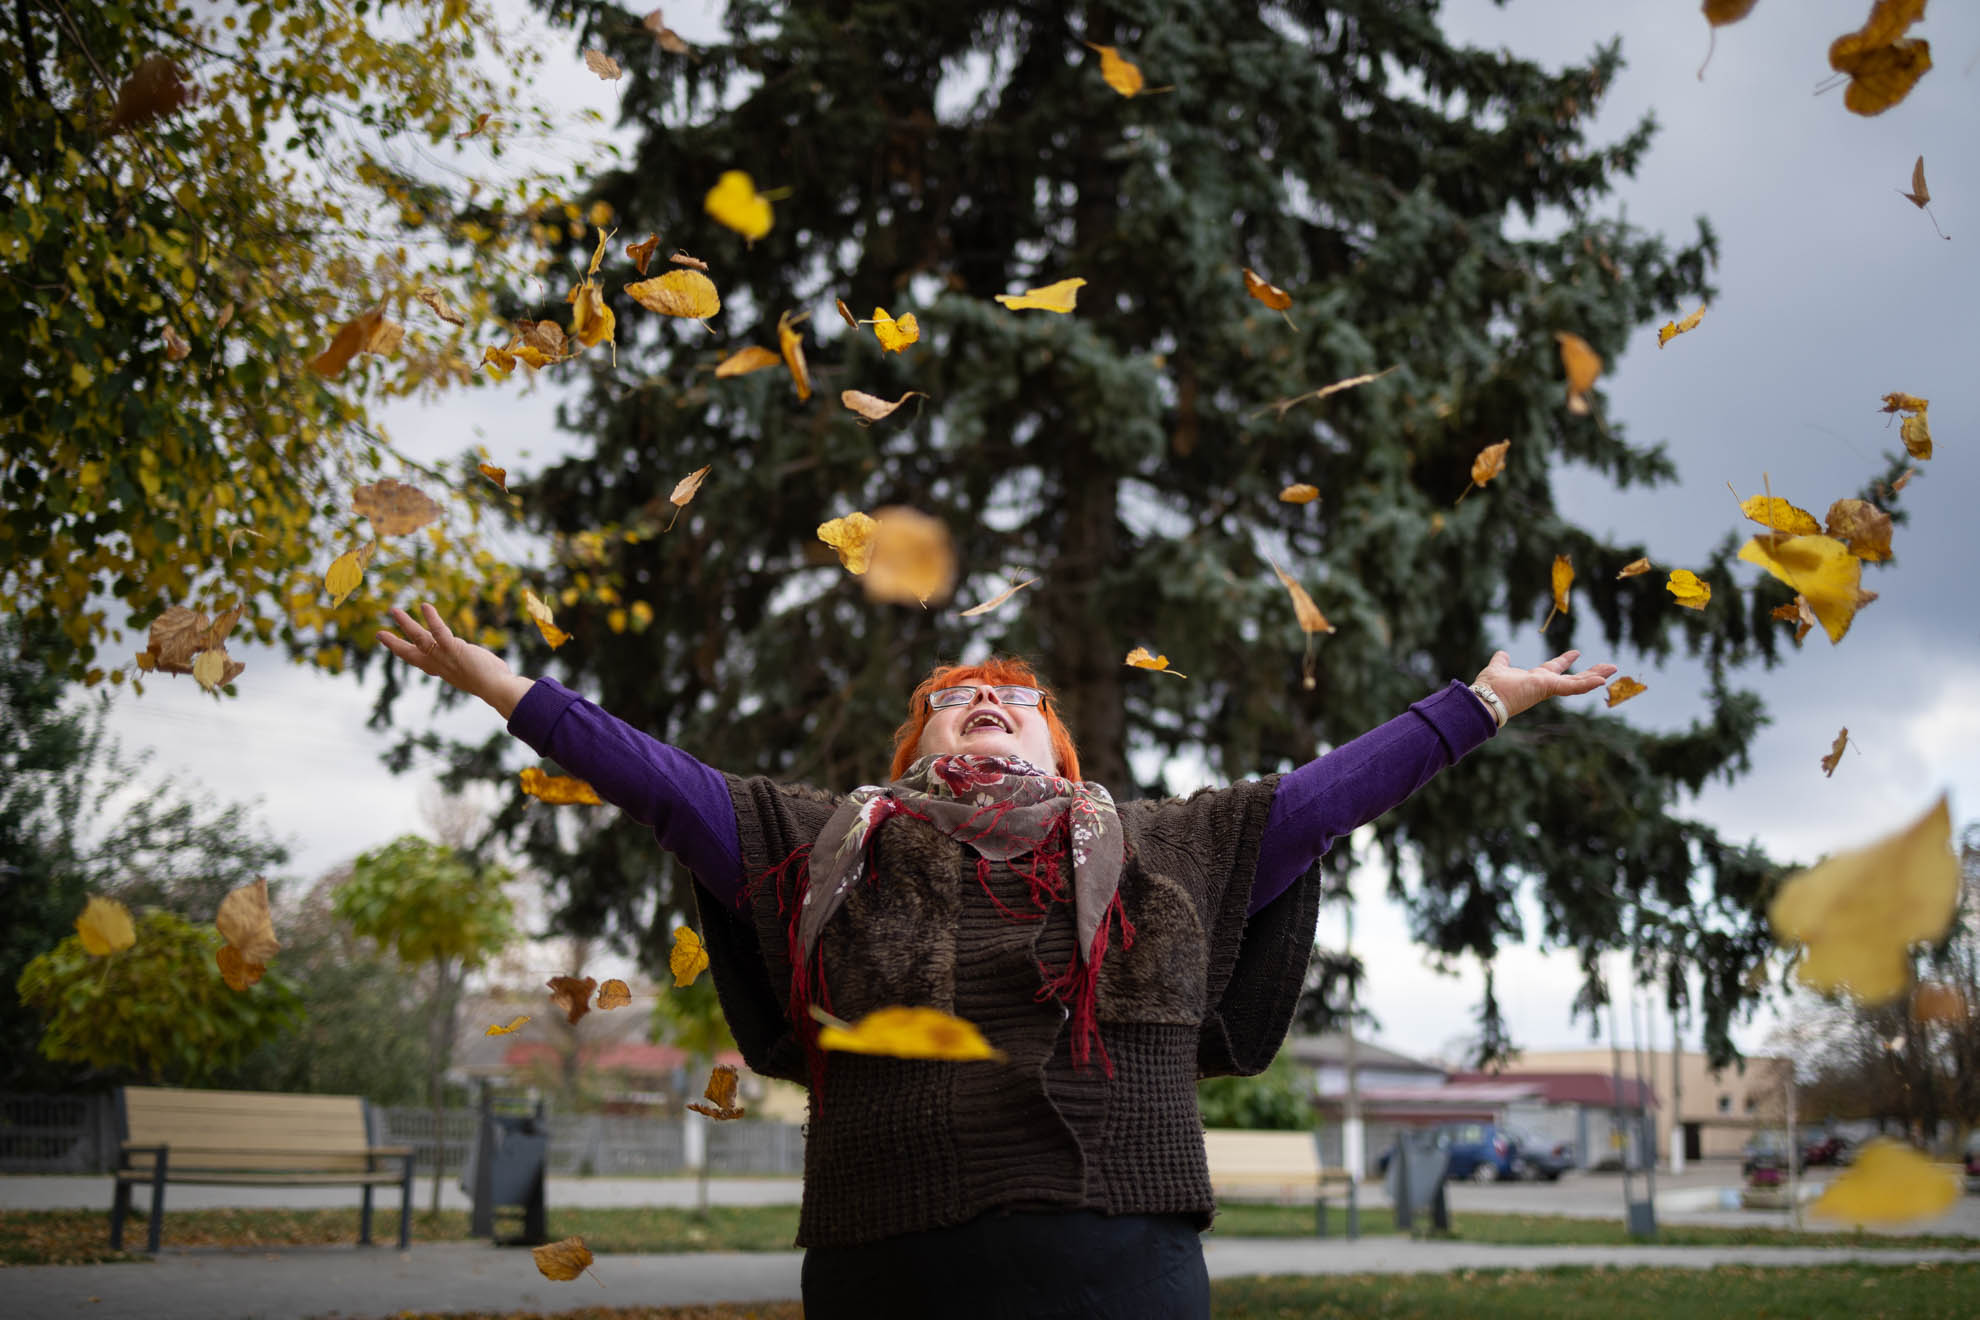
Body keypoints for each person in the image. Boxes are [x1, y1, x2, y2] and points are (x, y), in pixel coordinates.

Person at [380, 603, 1615, 1318]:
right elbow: (653, 782)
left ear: (1058, 750)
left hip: (1118, 1258)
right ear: (913, 743)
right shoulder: (822, 844)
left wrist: (1483, 703)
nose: (985, 700)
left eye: (1013, 696)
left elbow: (1325, 796)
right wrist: (495, 682)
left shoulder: (1165, 845)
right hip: (885, 1259)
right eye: (953, 694)